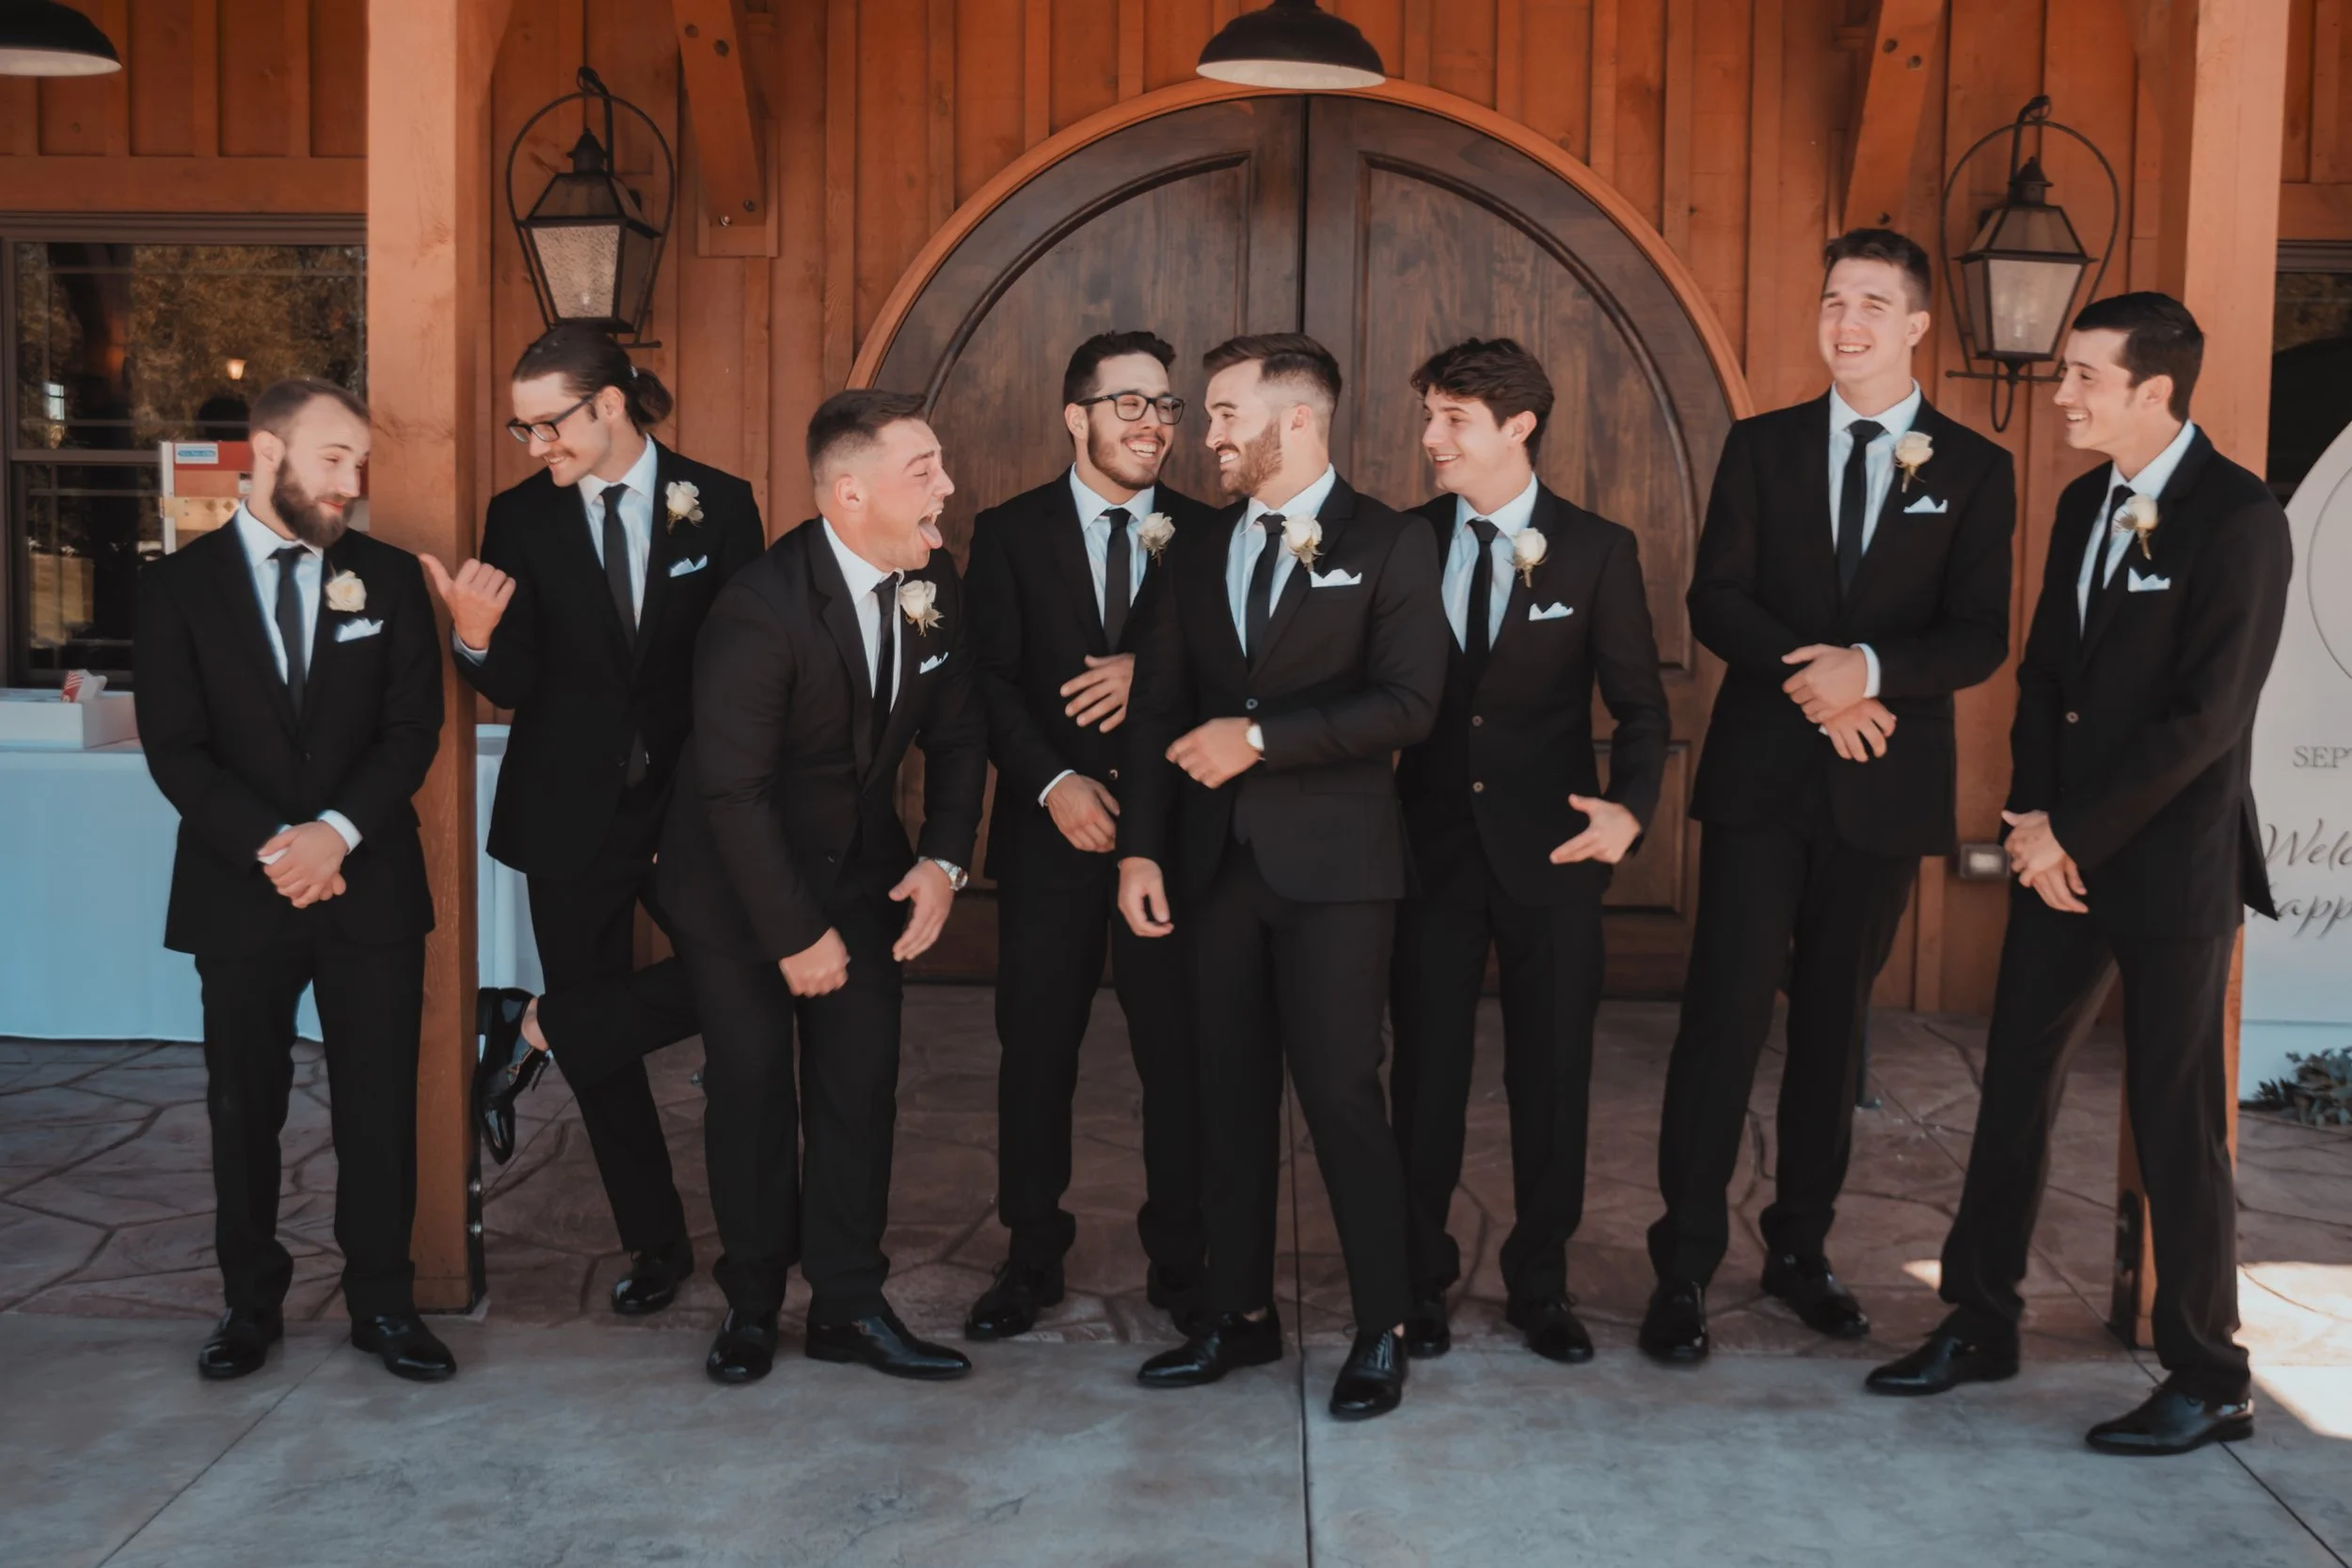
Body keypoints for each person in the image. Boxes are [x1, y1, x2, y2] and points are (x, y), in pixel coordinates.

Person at [1867, 293, 2291, 1457]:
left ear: (2154, 390)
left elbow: (2206, 717)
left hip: (2171, 863)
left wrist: (2076, 834)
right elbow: (2045, 674)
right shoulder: (2080, 501)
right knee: (2013, 1080)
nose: (2061, 395)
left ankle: (2210, 1374)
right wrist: (2030, 823)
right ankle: (1980, 1318)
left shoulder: (2240, 517)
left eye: (2084, 377)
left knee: (2173, 1114)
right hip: (2057, 850)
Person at [1643, 229, 2015, 1361]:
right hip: (1761, 782)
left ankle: (1799, 1249)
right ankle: (1682, 1262)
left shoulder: (1973, 468)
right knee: (1722, 1019)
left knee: (1829, 1029)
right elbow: (1717, 599)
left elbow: (1977, 633)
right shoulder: (1759, 447)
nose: (1844, 322)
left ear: (1915, 326)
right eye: (1831, 301)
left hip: (1883, 788)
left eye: (1870, 304)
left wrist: (1873, 672)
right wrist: (1823, 684)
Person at [1118, 333, 1447, 1420]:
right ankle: (1240, 1311)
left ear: (1295, 419)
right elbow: (1157, 708)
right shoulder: (1195, 545)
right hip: (1213, 867)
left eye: (1223, 413)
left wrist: (1258, 738)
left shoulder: (1391, 541)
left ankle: (1381, 1323)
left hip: (1338, 872)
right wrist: (1140, 848)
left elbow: (1408, 705)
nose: (1204, 434)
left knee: (1344, 1093)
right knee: (1225, 1093)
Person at [424, 325, 766, 1320]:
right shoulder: (519, 515)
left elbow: (741, 670)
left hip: (692, 807)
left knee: (745, 977)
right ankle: (654, 1242)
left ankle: (531, 1023)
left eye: (549, 424)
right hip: (568, 812)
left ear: (609, 404)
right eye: (522, 428)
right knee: (605, 1053)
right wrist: (474, 640)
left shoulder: (721, 501)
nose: (535, 445)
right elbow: (516, 679)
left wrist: (707, 801)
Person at [655, 390, 988, 1386]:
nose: (947, 487)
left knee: (858, 1087)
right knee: (753, 1085)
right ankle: (752, 1303)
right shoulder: (758, 608)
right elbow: (734, 791)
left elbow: (959, 731)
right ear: (850, 493)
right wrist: (795, 934)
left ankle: (847, 1305)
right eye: (923, 471)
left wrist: (943, 860)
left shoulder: (936, 579)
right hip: (737, 882)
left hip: (862, 872)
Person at [135, 378, 454, 1382]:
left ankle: (384, 1303)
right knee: (244, 1107)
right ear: (265, 451)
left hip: (370, 885)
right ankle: (249, 1303)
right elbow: (176, 749)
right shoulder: (177, 587)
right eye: (332, 458)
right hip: (240, 891)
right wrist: (280, 846)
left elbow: (413, 727)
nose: (352, 481)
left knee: (378, 1105)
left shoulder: (387, 578)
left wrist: (337, 834)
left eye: (360, 462)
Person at [1387, 339, 1671, 1364]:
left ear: (1519, 426)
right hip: (1428, 854)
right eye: (1429, 415)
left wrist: (1629, 811)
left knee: (1552, 1076)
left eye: (1453, 418)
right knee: (1425, 1076)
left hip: (1555, 857)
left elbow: (1642, 707)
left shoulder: (1596, 550)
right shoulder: (1404, 541)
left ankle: (1540, 1284)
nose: (1431, 437)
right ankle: (1415, 1279)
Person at [959, 331, 1219, 1340]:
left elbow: (1243, 673)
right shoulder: (1009, 532)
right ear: (1077, 416)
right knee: (1034, 1054)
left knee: (1179, 1057)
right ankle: (1030, 1254)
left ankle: (1182, 1260)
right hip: (1049, 838)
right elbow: (987, 680)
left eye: (1166, 406)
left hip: (1174, 838)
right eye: (1131, 404)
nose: (1155, 424)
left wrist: (1150, 673)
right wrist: (1054, 781)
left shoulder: (1212, 534)